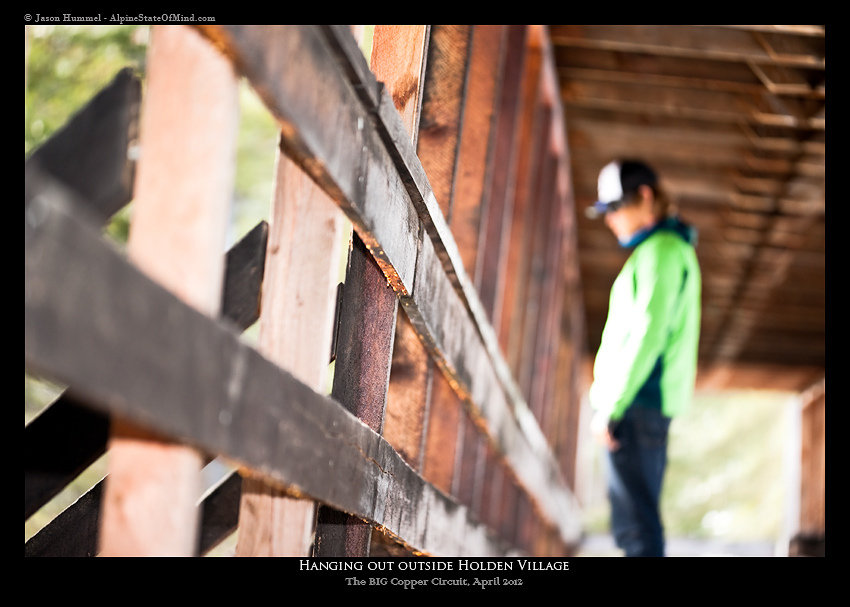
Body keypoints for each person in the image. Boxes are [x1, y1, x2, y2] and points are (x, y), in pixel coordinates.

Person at [587, 159, 701, 557]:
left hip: (635, 404)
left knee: (636, 530)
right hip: (639, 404)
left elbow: (648, 335)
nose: (610, 220)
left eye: (615, 208)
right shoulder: (662, 250)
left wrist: (613, 406)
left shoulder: (662, 251)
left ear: (646, 197)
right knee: (636, 526)